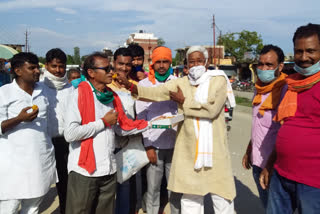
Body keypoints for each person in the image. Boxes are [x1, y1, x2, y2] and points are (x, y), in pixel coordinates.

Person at [117, 45, 236, 214]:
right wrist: (131, 86)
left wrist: (184, 102)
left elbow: (212, 110)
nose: (196, 65)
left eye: (199, 61)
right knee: (190, 197)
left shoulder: (218, 80)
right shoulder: (181, 83)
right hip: (188, 149)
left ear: (206, 62)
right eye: (192, 62)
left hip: (213, 150)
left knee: (221, 196)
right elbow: (156, 93)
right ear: (186, 64)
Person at [64, 52, 148, 214]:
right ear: (91, 73)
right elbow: (70, 134)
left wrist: (153, 124)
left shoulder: (111, 96)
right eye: (107, 68)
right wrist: (102, 122)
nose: (112, 72)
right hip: (85, 171)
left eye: (110, 68)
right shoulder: (77, 95)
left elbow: (121, 128)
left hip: (108, 169)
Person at [260, 23, 320, 214]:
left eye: (311, 51)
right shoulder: (291, 83)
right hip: (281, 174)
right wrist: (270, 165)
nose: (304, 58)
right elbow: (284, 127)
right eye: (298, 51)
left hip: (313, 182)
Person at [0, 52, 56, 214]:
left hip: (40, 160)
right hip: (13, 164)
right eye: (31, 68)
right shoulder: (5, 93)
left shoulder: (44, 91)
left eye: (37, 67)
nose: (37, 71)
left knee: (32, 208)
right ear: (18, 71)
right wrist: (19, 119)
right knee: (8, 208)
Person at [135, 46, 180, 214]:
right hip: (154, 144)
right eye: (158, 62)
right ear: (152, 63)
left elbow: (182, 110)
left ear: (170, 63)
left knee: (175, 188)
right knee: (152, 188)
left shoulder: (178, 83)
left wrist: (174, 122)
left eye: (165, 61)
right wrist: (148, 145)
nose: (161, 65)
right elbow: (141, 117)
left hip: (176, 144)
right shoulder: (144, 85)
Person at [241, 44, 287, 209]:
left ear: (280, 66)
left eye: (269, 65)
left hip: (274, 165)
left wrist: (270, 165)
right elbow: (258, 124)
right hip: (258, 162)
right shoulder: (259, 89)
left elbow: (285, 131)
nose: (263, 68)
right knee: (267, 206)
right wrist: (249, 150)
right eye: (260, 64)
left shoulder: (285, 90)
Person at [108, 47, 142, 214]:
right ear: (114, 63)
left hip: (128, 144)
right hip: (107, 144)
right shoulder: (105, 85)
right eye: (120, 63)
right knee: (106, 189)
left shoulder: (135, 86)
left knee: (125, 186)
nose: (124, 68)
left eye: (128, 65)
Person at [40, 48, 74, 214]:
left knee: (66, 182)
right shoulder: (38, 88)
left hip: (67, 142)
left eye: (61, 66)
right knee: (40, 184)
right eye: (54, 66)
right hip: (45, 142)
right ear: (47, 66)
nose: (58, 70)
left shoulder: (71, 89)